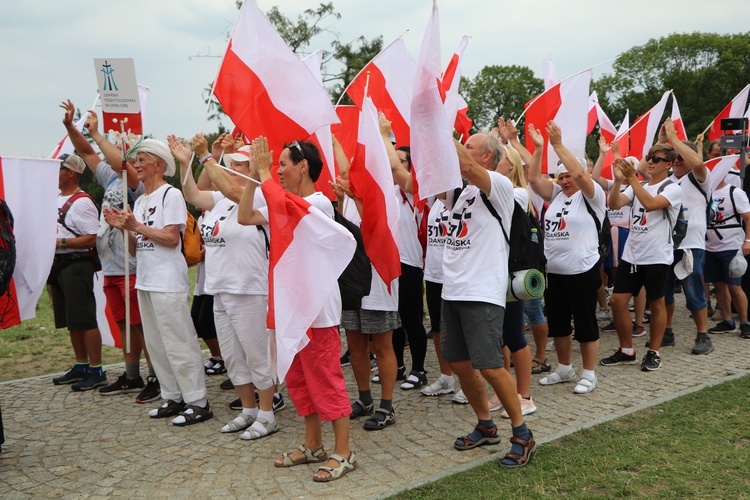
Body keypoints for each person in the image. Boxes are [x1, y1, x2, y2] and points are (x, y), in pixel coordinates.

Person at [237, 137, 355, 481]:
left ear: (303, 166)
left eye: (284, 164)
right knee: (299, 380)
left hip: (317, 310)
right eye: (276, 166)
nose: (278, 170)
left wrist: (261, 171)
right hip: (290, 307)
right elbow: (245, 216)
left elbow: (282, 203)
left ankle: (344, 452)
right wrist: (251, 180)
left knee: (326, 380)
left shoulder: (319, 203)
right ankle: (313, 444)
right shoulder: (283, 203)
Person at [170, 134, 279, 440]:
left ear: (255, 168)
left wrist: (208, 156)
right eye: (230, 165)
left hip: (249, 288)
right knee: (232, 357)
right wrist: (185, 163)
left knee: (257, 355)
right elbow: (192, 194)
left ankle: (268, 413)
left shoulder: (260, 197)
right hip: (220, 288)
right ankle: (248, 410)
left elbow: (233, 188)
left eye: (240, 164)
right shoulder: (220, 203)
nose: (232, 170)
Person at [441, 132, 535, 468]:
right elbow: (417, 180)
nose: (462, 151)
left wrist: (442, 127)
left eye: (469, 146)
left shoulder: (499, 185)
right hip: (453, 290)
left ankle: (522, 433)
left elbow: (463, 164)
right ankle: (485, 424)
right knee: (461, 365)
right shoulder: (461, 192)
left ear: (486, 157)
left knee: (491, 367)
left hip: (482, 290)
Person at [103, 139, 212, 426]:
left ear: (159, 164)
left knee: (178, 341)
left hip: (167, 280)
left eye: (142, 160)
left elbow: (171, 238)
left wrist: (136, 226)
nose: (136, 165)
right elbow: (134, 248)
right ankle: (173, 395)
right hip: (146, 280)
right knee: (156, 343)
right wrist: (124, 228)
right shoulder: (139, 200)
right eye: (136, 160)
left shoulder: (170, 195)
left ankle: (198, 400)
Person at [60, 100, 160, 403]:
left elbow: (122, 163)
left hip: (131, 263)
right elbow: (88, 153)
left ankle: (156, 377)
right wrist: (72, 128)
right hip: (111, 266)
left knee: (140, 325)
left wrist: (100, 134)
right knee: (123, 324)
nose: (117, 151)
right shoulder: (109, 177)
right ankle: (132, 375)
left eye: (122, 148)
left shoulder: (134, 180)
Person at [527, 122, 605, 394]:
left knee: (585, 322)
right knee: (559, 324)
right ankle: (564, 368)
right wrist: (538, 149)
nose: (564, 181)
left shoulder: (593, 195)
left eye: (567, 177)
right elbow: (535, 181)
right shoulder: (558, 195)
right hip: (556, 271)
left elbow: (582, 175)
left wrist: (558, 144)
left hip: (582, 269)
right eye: (560, 177)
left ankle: (589, 373)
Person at [331, 126, 400, 432]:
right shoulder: (348, 194)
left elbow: (375, 228)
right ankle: (364, 399)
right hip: (351, 282)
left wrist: (355, 196)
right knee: (356, 345)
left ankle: (387, 405)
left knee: (382, 346)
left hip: (377, 285)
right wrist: (331, 137)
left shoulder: (388, 194)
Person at [600, 149, 682, 371]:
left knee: (656, 303)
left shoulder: (672, 188)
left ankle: (654, 351)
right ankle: (627, 350)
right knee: (617, 301)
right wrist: (618, 181)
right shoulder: (640, 186)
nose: (651, 162)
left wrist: (633, 179)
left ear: (669, 165)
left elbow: (651, 204)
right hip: (632, 254)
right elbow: (614, 204)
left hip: (656, 255)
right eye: (649, 158)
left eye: (657, 159)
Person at [49, 153, 107, 391]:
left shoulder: (82, 202)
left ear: (71, 172)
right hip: (59, 265)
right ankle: (81, 365)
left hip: (76, 264)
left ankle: (96, 369)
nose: (55, 173)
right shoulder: (55, 197)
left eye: (59, 169)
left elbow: (94, 238)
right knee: (72, 320)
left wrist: (61, 244)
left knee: (84, 318)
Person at [655, 119, 713, 355]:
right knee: (665, 292)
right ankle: (667, 331)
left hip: (691, 245)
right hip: (666, 245)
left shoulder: (699, 176)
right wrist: (661, 142)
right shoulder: (668, 180)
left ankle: (703, 336)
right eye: (674, 157)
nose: (677, 161)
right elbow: (644, 166)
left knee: (693, 293)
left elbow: (697, 161)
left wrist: (675, 139)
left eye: (681, 156)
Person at [705, 175, 750, 337]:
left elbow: (748, 217)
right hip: (710, 247)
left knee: (735, 286)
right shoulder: (706, 193)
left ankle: (745, 322)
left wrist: (748, 240)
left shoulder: (735, 192)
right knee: (718, 286)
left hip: (731, 246)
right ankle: (728, 320)